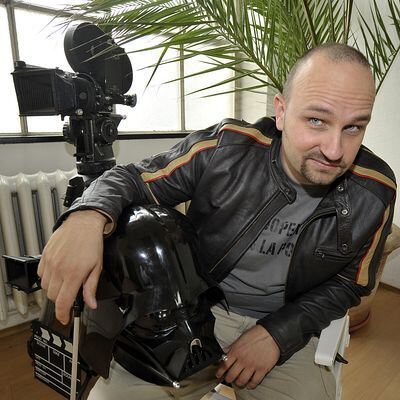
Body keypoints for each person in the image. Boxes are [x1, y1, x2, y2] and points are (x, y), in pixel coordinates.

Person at [38, 43, 396, 400]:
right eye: (316, 120)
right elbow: (134, 179)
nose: (334, 150)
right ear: (281, 112)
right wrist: (86, 216)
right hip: (198, 310)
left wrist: (276, 335)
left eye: (353, 127)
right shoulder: (226, 150)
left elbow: (350, 284)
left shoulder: (375, 193)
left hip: (290, 321)